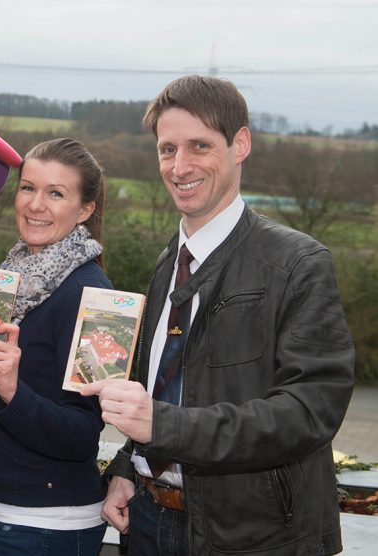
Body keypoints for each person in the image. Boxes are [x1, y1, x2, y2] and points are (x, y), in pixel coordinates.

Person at [80, 75, 355, 555]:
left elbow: (310, 412)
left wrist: (162, 427)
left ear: (240, 144)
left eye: (199, 146)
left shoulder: (298, 264)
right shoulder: (169, 263)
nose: (180, 166)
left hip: (252, 538)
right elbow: (168, 388)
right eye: (168, 149)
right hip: (146, 522)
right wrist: (130, 467)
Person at [0, 138, 112, 555]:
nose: (36, 204)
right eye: (28, 187)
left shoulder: (93, 297)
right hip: (3, 509)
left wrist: (13, 390)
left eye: (56, 193)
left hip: (49, 524)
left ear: (85, 209)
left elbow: (84, 434)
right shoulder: (14, 276)